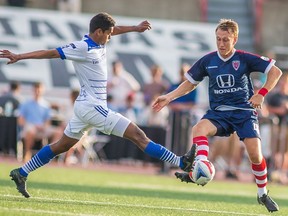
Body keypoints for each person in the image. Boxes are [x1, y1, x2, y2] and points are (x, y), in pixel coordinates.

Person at [0, 12, 196, 198]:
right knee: (138, 135)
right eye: (108, 34)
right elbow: (50, 53)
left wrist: (135, 28)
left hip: (85, 108)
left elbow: (115, 29)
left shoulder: (100, 40)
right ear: (98, 32)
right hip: (92, 107)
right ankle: (181, 162)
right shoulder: (81, 47)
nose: (111, 37)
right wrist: (19, 56)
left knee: (60, 146)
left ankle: (22, 171)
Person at [152, 19, 282, 212]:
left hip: (243, 113)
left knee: (255, 155)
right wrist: (169, 97)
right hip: (219, 113)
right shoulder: (208, 60)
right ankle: (200, 166)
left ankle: (262, 194)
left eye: (226, 40)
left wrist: (260, 93)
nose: (221, 44)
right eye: (218, 39)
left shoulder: (244, 58)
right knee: (199, 128)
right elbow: (190, 82)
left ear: (235, 39)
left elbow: (275, 71)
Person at [18, 82, 61, 162]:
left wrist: (43, 126)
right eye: (36, 89)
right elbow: (20, 120)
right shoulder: (26, 103)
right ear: (33, 90)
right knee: (31, 130)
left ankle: (49, 155)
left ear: (43, 90)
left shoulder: (46, 105)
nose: (38, 91)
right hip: (29, 127)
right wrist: (32, 125)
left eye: (40, 89)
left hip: (42, 128)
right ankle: (27, 153)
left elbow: (47, 122)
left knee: (58, 132)